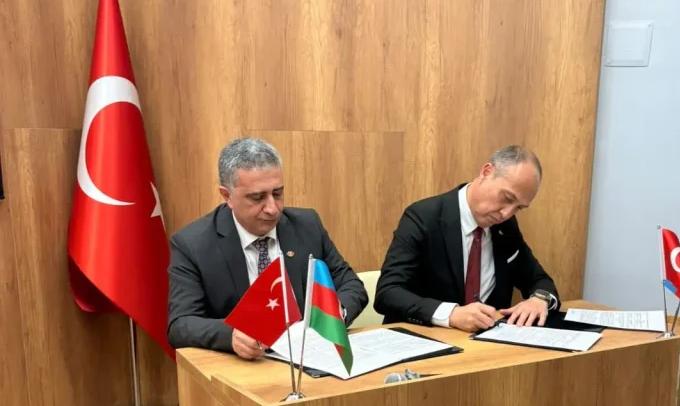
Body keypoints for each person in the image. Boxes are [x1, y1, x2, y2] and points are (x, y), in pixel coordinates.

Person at [168, 138, 367, 359]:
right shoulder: (193, 244)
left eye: (278, 194)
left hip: (310, 358)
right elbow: (180, 323)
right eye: (257, 197)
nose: (272, 209)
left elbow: (351, 285)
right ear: (227, 196)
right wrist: (230, 335)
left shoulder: (307, 225)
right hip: (244, 365)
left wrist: (334, 315)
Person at [374, 145, 559, 333]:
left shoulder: (505, 227)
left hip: (486, 343)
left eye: (519, 208)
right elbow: (388, 293)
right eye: (507, 198)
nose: (507, 213)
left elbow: (538, 279)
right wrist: (451, 314)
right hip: (427, 339)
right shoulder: (424, 217)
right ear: (486, 172)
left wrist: (540, 299)